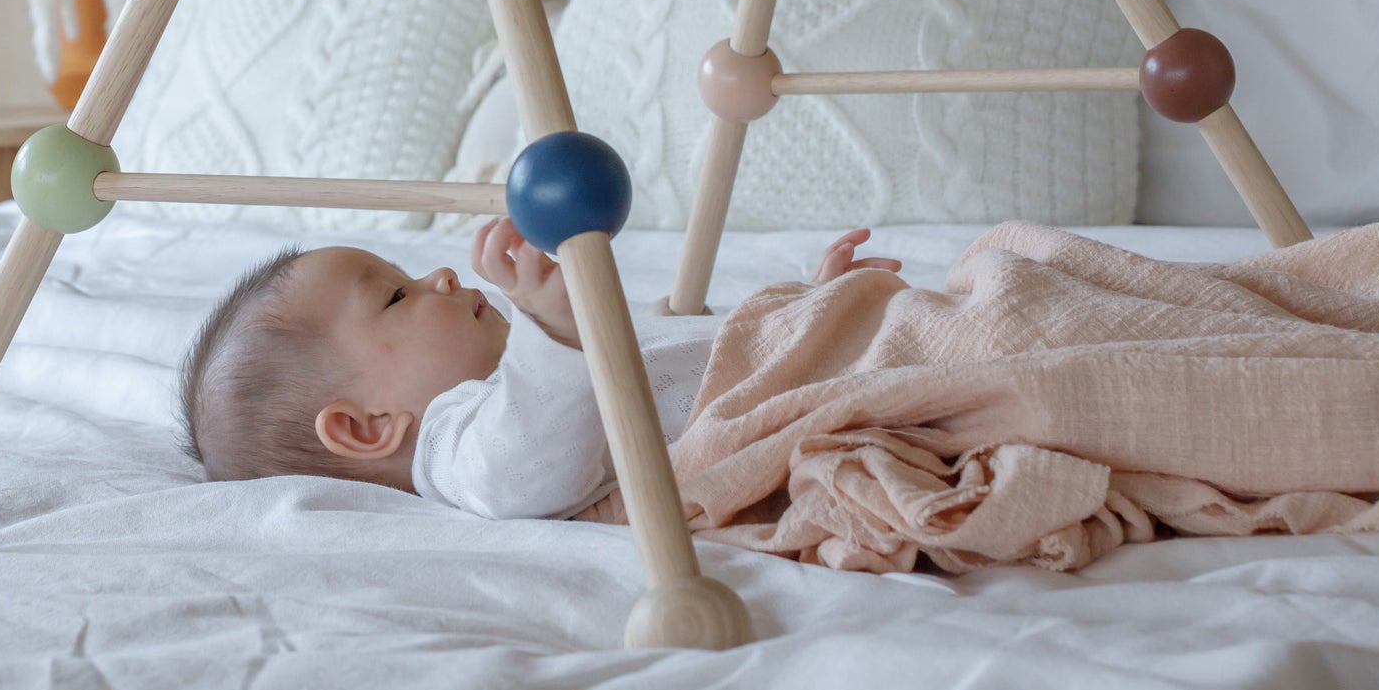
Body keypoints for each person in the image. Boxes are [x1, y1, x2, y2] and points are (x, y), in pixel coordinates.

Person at [179, 222, 901, 519]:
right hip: (862, 384)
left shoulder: (519, 382)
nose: (435, 274)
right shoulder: (459, 448)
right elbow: (527, 467)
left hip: (836, 355)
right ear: (366, 427)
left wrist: (806, 305)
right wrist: (553, 328)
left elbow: (690, 354)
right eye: (396, 295)